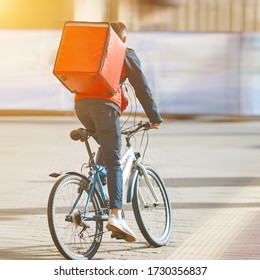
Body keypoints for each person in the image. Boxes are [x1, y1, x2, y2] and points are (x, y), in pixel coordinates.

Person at [74, 21, 162, 242]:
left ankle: (94, 183)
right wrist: (153, 117)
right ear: (123, 38)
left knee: (106, 145)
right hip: (105, 107)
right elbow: (141, 86)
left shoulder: (94, 51)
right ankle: (116, 215)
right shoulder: (124, 52)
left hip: (81, 105)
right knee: (115, 161)